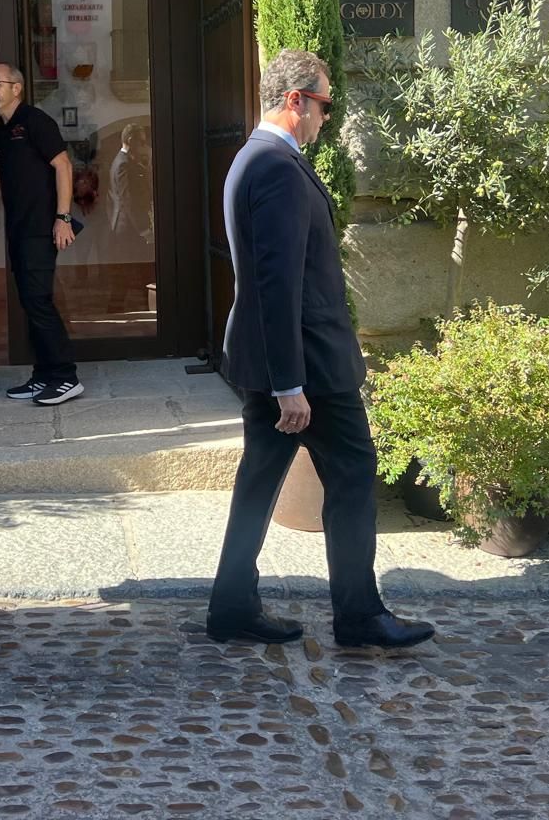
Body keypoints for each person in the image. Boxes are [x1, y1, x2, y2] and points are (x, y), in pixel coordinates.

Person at [208, 49, 434, 651]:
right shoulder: (275, 166)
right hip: (306, 367)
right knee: (354, 475)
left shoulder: (252, 159)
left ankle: (230, 606)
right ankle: (358, 617)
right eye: (324, 104)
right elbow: (276, 281)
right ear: (294, 100)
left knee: (259, 482)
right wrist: (290, 384)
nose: (326, 117)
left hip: (279, 358)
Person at [0, 64, 83, 405]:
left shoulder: (35, 121)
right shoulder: (0, 131)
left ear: (17, 88)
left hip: (41, 228)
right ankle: (44, 375)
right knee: (29, 301)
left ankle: (65, 377)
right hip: (19, 229)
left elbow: (63, 166)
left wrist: (63, 218)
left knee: (38, 300)